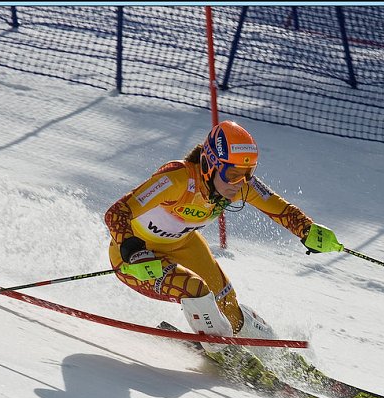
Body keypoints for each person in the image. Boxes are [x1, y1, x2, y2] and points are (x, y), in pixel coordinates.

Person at [104, 120, 343, 355]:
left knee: (229, 306)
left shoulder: (240, 185)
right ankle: (221, 351)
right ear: (209, 163)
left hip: (184, 246)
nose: (240, 184)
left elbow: (281, 210)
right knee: (195, 290)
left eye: (248, 174)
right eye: (232, 173)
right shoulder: (178, 179)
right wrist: (133, 251)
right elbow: (117, 212)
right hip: (135, 259)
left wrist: (308, 230)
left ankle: (273, 353)